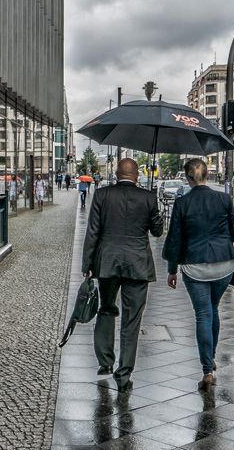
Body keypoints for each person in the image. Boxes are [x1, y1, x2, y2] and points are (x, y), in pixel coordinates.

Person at [82, 158, 164, 391]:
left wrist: (87, 264)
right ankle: (124, 373)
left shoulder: (102, 195)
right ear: (137, 175)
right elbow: (157, 232)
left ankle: (105, 361)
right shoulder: (148, 197)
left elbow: (93, 232)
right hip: (138, 265)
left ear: (117, 174)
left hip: (108, 263)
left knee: (106, 309)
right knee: (132, 320)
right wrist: (155, 214)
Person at [162, 158, 234, 389]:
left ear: (187, 178)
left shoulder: (182, 203)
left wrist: (172, 269)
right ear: (207, 175)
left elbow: (175, 239)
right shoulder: (224, 199)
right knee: (212, 310)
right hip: (223, 264)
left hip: (194, 266)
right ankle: (211, 356)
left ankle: (207, 369)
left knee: (203, 314)